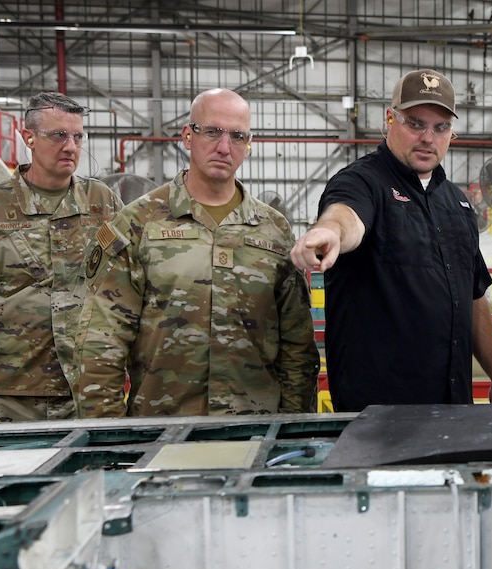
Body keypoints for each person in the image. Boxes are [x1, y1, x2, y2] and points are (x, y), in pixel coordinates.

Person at [76, 88, 318, 417]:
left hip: (253, 428)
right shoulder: (138, 222)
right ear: (188, 137)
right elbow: (102, 339)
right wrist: (108, 436)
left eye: (237, 136)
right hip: (161, 428)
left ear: (249, 144)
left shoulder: (273, 230)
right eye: (212, 132)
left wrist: (292, 429)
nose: (223, 146)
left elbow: (297, 346)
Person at [290, 68, 492, 412]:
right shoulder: (363, 182)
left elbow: (473, 295)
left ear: (451, 133)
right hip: (380, 412)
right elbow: (347, 215)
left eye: (440, 127)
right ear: (390, 120)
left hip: (453, 406)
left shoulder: (458, 203)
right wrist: (329, 232)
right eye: (415, 123)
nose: (428, 137)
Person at [0, 92, 122, 423]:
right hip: (3, 395)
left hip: (86, 390)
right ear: (28, 137)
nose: (71, 146)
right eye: (58, 135)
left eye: (78, 136)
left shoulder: (103, 203)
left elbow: (125, 292)